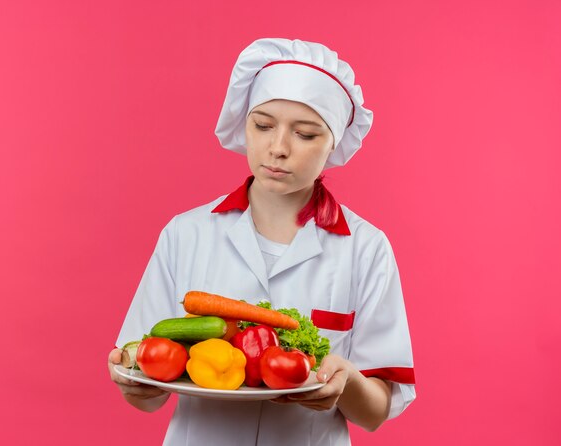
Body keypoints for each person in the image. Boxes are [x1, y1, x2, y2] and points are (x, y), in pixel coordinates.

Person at [107, 38, 416, 445]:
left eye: (305, 134)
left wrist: (345, 383)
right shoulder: (185, 234)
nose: (278, 148)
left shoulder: (366, 248)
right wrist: (134, 384)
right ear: (244, 124)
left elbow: (375, 411)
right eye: (263, 125)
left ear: (334, 143)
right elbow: (147, 392)